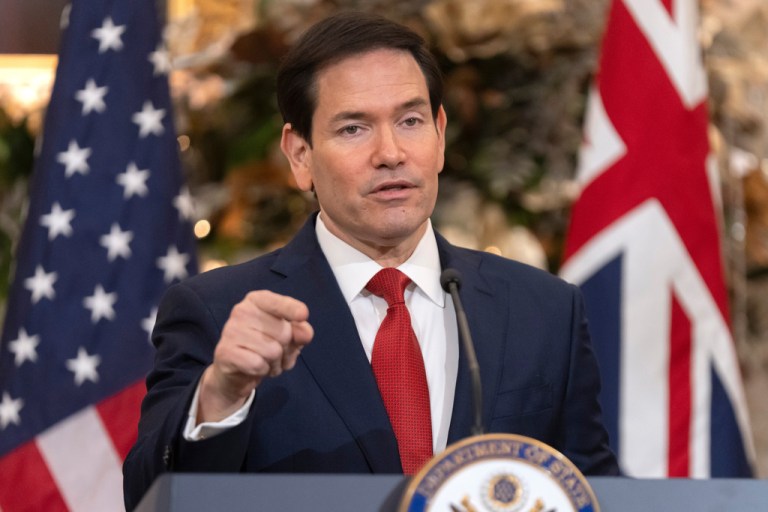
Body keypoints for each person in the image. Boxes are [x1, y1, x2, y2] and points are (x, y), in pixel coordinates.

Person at [122, 11, 619, 510]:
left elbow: (594, 493)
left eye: (410, 121)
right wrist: (220, 394)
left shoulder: (544, 309)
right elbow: (149, 498)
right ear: (299, 154)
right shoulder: (218, 312)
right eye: (354, 128)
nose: (391, 153)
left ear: (440, 134)